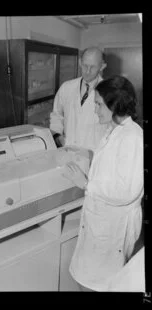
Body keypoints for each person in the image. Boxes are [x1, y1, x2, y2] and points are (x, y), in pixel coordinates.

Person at [63, 75, 143, 291]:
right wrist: (88, 155)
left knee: (97, 284)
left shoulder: (132, 137)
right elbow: (112, 170)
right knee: (85, 278)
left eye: (98, 104)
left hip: (113, 227)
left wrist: (87, 184)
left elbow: (127, 190)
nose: (95, 109)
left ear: (114, 104)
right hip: (102, 221)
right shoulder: (114, 131)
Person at [50, 46, 108, 151]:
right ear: (80, 62)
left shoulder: (109, 92)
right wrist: (57, 137)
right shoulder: (66, 87)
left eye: (93, 67)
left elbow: (112, 127)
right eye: (85, 65)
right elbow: (56, 115)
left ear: (102, 66)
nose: (88, 71)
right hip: (67, 149)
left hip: (94, 154)